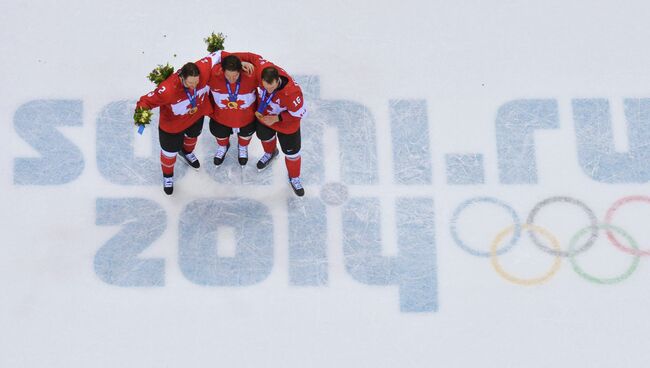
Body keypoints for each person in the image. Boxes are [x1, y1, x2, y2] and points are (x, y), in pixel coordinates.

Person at [135, 51, 252, 194]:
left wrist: (241, 62)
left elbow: (219, 54)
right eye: (190, 83)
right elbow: (145, 101)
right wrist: (141, 116)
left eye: (196, 82)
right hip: (172, 127)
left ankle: (186, 152)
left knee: (192, 138)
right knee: (169, 153)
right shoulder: (167, 90)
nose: (194, 86)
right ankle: (168, 176)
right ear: (181, 77)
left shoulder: (203, 69)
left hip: (196, 116)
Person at [252, 59, 307, 196]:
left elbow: (302, 113)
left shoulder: (292, 93)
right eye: (265, 87)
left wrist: (277, 118)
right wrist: (241, 63)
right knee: (265, 137)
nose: (268, 90)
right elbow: (251, 57)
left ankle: (294, 178)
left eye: (271, 87)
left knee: (292, 154)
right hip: (265, 119)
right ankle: (271, 153)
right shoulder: (261, 71)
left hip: (287, 126)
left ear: (278, 80)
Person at [207, 54, 260, 166]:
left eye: (235, 76)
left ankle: (242, 147)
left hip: (246, 117)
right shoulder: (213, 74)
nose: (231, 80)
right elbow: (217, 54)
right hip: (221, 117)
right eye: (228, 76)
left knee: (246, 134)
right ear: (222, 70)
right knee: (219, 132)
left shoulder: (252, 74)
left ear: (240, 70)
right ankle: (223, 146)